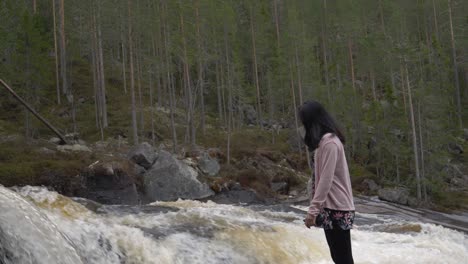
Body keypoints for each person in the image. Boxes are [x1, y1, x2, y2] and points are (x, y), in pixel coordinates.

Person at [300, 100, 355, 264]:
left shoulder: (330, 142)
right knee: (339, 257)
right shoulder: (324, 142)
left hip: (338, 207)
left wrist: (313, 210)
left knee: (343, 258)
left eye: (304, 122)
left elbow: (326, 179)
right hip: (330, 206)